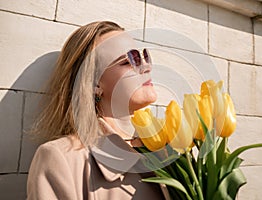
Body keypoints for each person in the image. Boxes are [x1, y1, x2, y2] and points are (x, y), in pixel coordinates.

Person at [27, 21, 169, 200]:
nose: (146, 67)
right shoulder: (62, 159)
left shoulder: (170, 148)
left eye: (143, 57)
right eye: (128, 61)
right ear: (94, 83)